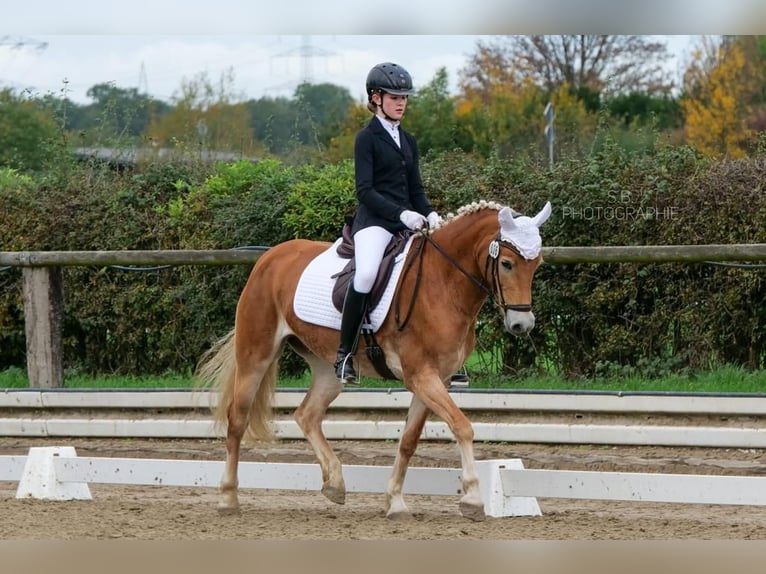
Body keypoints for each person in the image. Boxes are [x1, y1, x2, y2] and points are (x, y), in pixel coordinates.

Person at [334, 62, 441, 384]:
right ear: (376, 98)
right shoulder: (366, 138)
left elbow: (416, 189)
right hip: (376, 223)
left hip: (408, 223)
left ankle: (444, 354)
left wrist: (430, 212)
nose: (401, 103)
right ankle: (344, 355)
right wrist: (400, 214)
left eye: (405, 97)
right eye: (395, 96)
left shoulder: (408, 140)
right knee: (366, 274)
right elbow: (364, 191)